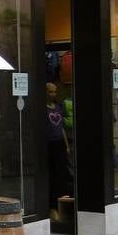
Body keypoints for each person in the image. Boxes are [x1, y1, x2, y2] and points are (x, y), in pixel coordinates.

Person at [46, 82, 71, 214]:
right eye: (50, 92)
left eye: (55, 91)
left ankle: (62, 202)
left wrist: (66, 145)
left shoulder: (59, 107)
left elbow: (61, 128)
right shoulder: (43, 108)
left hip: (59, 142)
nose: (53, 94)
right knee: (52, 174)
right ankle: (52, 205)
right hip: (49, 144)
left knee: (62, 173)